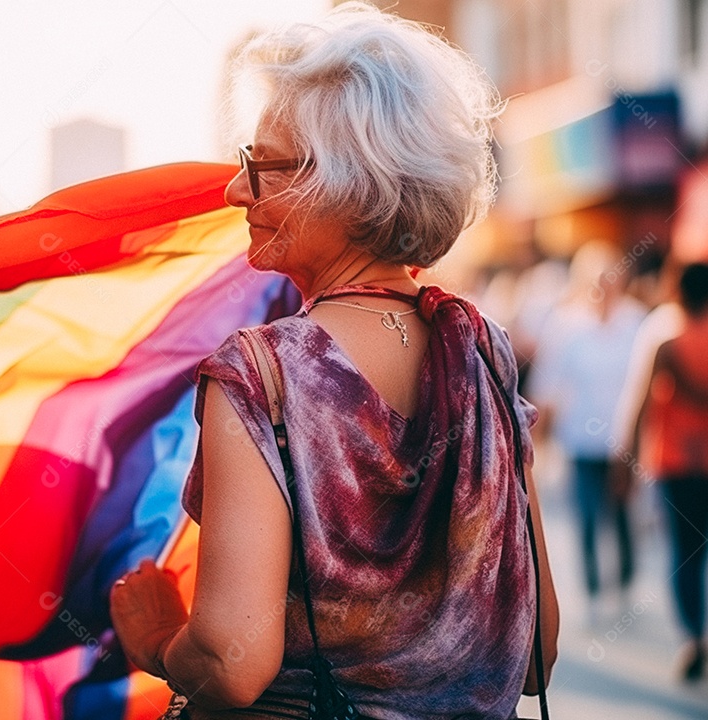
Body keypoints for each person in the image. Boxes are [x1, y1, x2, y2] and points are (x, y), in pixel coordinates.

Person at [109, 4, 559, 719]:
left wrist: (158, 639)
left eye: (259, 166)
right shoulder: (484, 353)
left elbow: (231, 662)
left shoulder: (264, 373)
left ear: (341, 178)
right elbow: (538, 643)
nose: (235, 191)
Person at [528, 242, 645, 615]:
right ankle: (592, 587)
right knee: (588, 514)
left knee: (623, 512)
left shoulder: (635, 321)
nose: (604, 286)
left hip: (624, 438)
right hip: (580, 437)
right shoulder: (566, 324)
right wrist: (537, 446)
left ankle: (626, 581)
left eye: (610, 277)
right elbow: (547, 386)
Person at [634, 263, 708, 680]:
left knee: (685, 553)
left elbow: (643, 402)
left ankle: (692, 636)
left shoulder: (668, 344)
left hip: (676, 462)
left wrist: (624, 456)